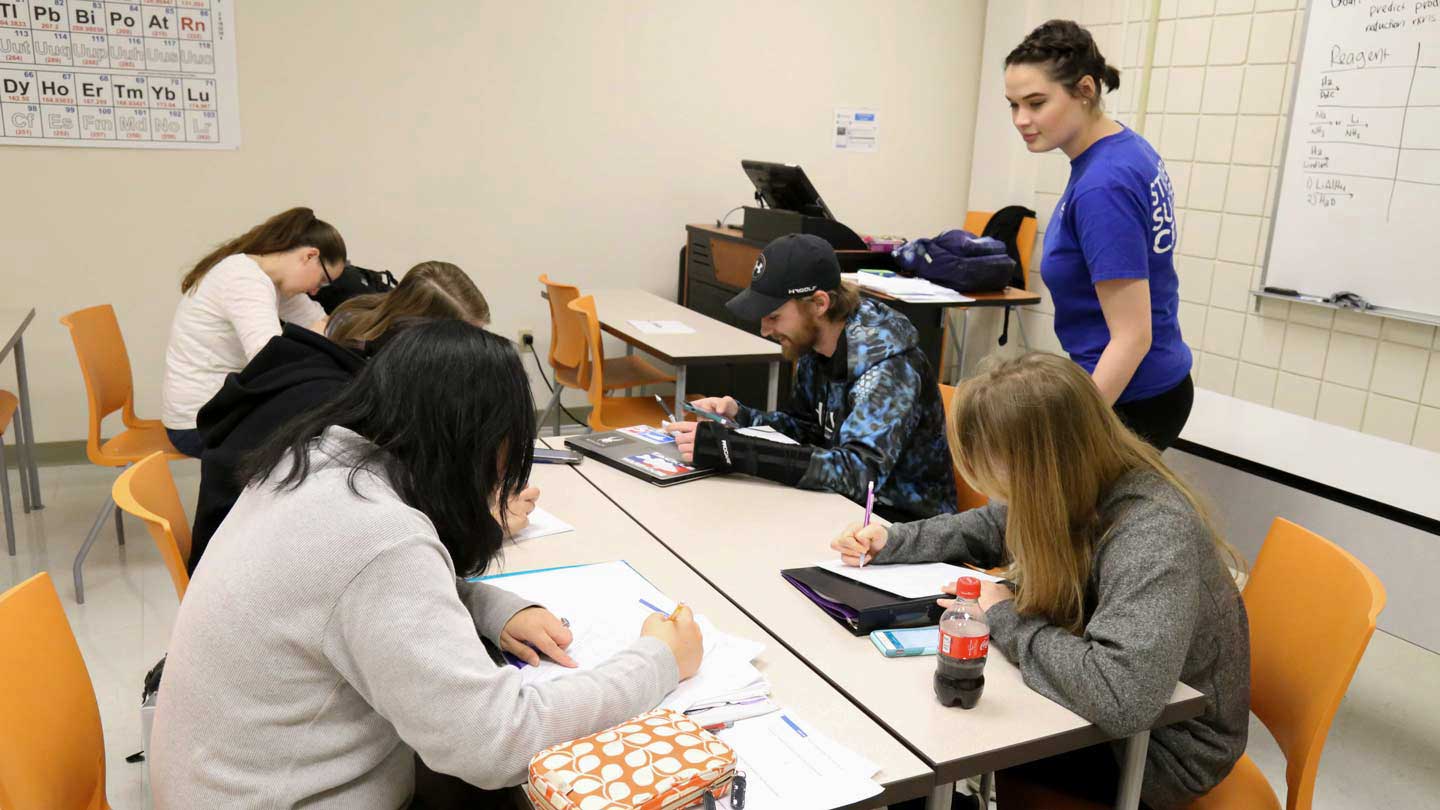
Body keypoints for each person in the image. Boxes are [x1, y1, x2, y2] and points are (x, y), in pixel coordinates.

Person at [151, 321, 704, 809]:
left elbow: (355, 596)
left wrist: (492, 608)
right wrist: (659, 660)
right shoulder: (378, 536)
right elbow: (494, 744)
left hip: (227, 783)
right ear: (480, 444)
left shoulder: (314, 458)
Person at [830, 353, 1248, 810]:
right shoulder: (1076, 477)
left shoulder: (1154, 530)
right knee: (922, 719)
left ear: (1043, 463)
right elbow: (991, 526)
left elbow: (1123, 698)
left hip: (1160, 752)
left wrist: (1003, 615)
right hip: (1101, 696)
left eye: (1003, 477)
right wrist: (891, 541)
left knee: (926, 736)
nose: (1000, 495)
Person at [186, 260, 509, 575]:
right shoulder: (343, 403)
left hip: (232, 549)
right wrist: (486, 523)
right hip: (245, 567)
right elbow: (392, 519)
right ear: (425, 345)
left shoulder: (340, 342)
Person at [666, 234, 956, 522]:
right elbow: (807, 430)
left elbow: (859, 475)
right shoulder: (814, 345)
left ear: (819, 303)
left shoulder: (889, 369)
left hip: (901, 525)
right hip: (844, 510)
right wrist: (740, 416)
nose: (765, 330)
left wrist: (736, 451)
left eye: (774, 317)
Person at [1006, 20, 1193, 449]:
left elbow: (1132, 336)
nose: (1021, 119)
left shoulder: (1103, 184)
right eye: (1013, 105)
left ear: (1085, 89)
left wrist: (1075, 432)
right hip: (1149, 383)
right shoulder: (1125, 148)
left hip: (1131, 397)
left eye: (1036, 103)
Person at [161, 207, 345, 457]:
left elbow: (325, 325)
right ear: (309, 256)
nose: (316, 290)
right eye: (322, 280)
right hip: (199, 424)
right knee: (320, 435)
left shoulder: (274, 281)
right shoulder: (244, 279)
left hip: (221, 411)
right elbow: (268, 359)